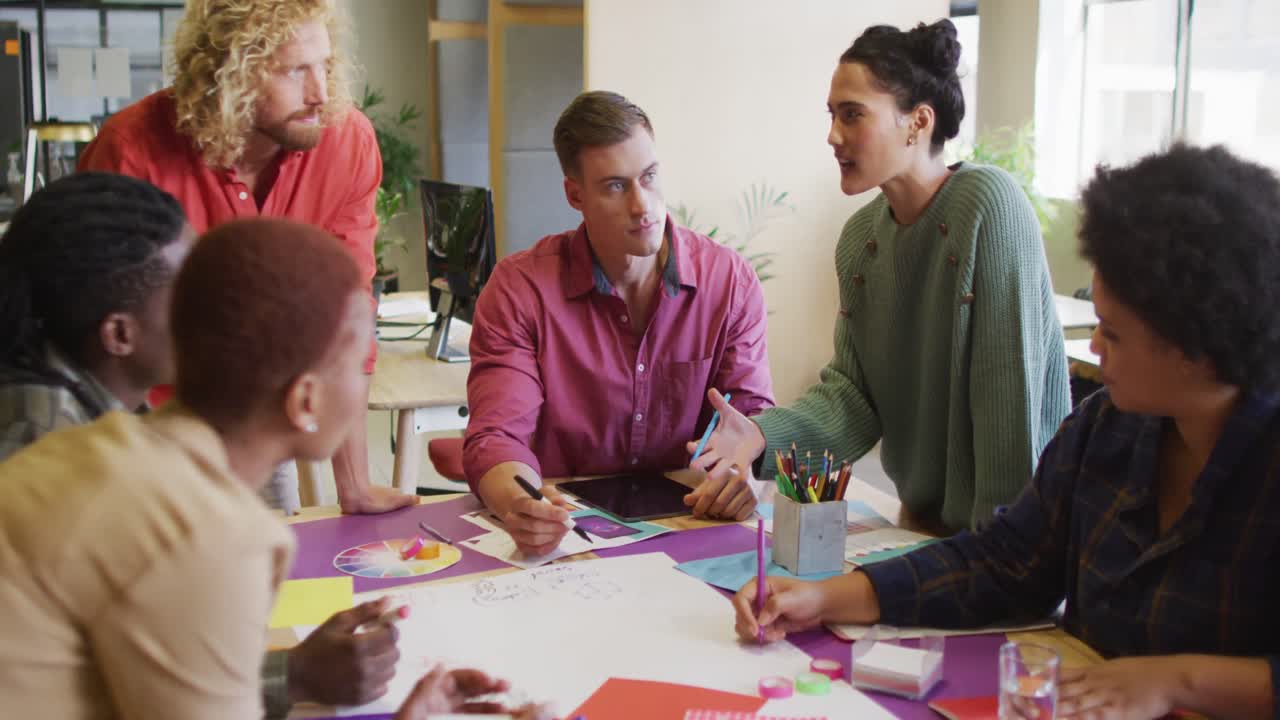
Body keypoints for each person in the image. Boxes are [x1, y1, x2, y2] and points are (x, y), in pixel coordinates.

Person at [732, 144, 1280, 719]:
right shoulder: (1106, 429)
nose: (1092, 348)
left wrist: (1177, 681)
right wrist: (825, 597)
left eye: (1113, 334)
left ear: (1196, 347)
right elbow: (1005, 563)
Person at [0, 218, 544, 720]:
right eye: (359, 367)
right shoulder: (208, 532)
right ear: (305, 400)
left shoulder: (104, 450)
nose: (364, 384)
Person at [689, 19, 1070, 533]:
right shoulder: (859, 239)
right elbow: (853, 397)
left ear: (918, 122)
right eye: (832, 115)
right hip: (921, 530)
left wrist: (1001, 563)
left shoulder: (990, 206)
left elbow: (1011, 409)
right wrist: (760, 436)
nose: (832, 135)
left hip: (1006, 545)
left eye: (853, 115)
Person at [77, 0, 413, 515]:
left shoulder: (346, 143)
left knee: (269, 575)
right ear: (226, 73)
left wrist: (354, 486)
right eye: (294, 70)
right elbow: (99, 335)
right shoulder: (131, 151)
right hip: (144, 430)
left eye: (324, 65)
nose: (320, 92)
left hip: (258, 431)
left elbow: (348, 312)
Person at [465, 90, 775, 554]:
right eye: (615, 186)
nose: (642, 205)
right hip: (568, 534)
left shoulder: (728, 281)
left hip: (690, 526)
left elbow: (750, 417)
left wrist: (742, 471)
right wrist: (520, 505)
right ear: (575, 194)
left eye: (649, 177)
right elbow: (498, 436)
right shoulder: (520, 290)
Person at [0, 172, 193, 462]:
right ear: (119, 335)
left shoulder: (105, 405)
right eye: (193, 298)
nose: (214, 311)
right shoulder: (47, 445)